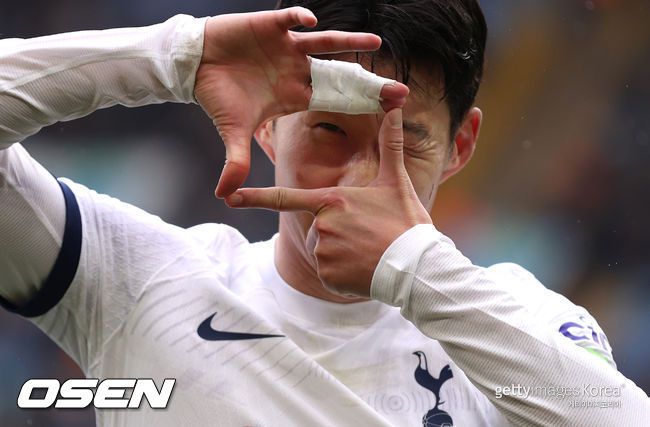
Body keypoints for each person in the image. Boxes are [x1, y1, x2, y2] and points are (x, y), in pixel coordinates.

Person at [0, 1, 647, 426]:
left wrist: (414, 270)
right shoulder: (137, 280)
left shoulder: (519, 324)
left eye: (405, 142)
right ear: (266, 123)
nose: (362, 181)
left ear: (460, 146)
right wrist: (174, 57)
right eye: (331, 131)